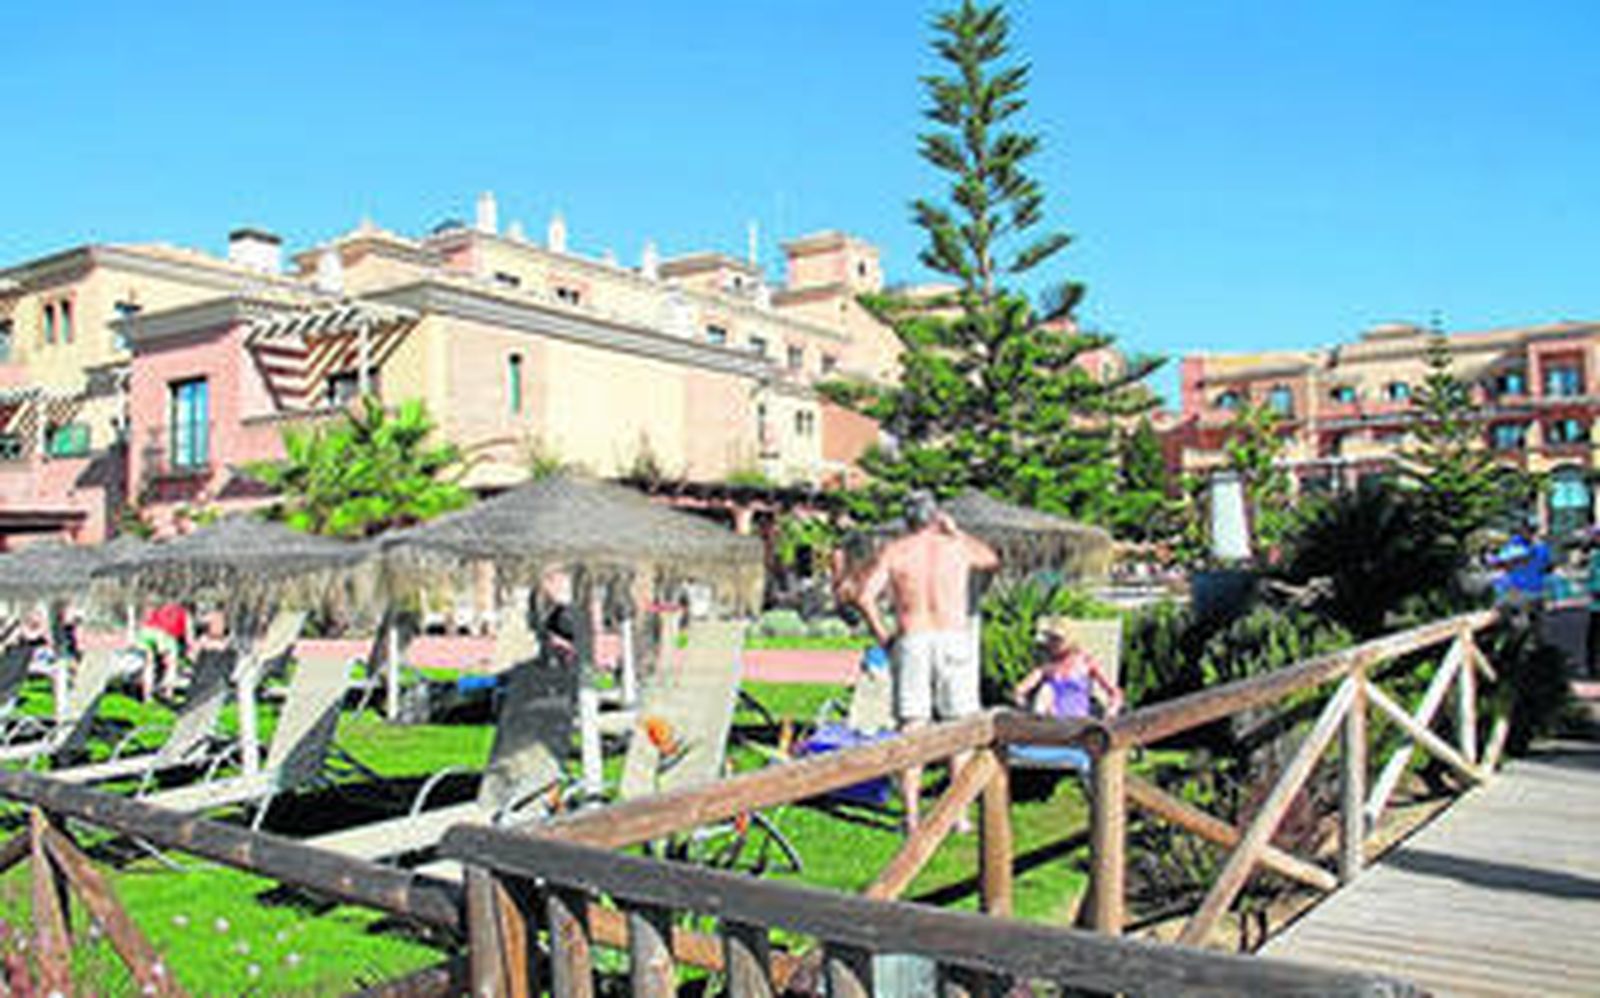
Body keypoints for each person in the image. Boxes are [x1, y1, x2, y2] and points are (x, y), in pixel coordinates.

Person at [851, 491, 999, 833]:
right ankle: (957, 814)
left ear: (906, 520)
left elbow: (863, 596)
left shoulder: (895, 551)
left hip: (912, 637)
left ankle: (912, 817)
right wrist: (956, 531)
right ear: (935, 516)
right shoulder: (956, 546)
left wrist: (883, 636)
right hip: (952, 636)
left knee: (912, 727)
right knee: (958, 727)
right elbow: (991, 559)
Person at [1010, 619, 1123, 771]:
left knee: (1047, 690)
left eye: (1057, 639)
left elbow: (1115, 692)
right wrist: (1024, 704)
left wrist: (1112, 711)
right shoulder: (1047, 667)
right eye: (1051, 639)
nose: (1053, 644)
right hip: (1052, 726)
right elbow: (1019, 690)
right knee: (1046, 690)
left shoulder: (1086, 662)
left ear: (1069, 640)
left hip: (1078, 727)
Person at [136, 601, 189, 701]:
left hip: (146, 632)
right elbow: (182, 633)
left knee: (148, 665)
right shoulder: (181, 612)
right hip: (164, 634)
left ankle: (147, 696)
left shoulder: (161, 609)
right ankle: (168, 693)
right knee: (171, 666)